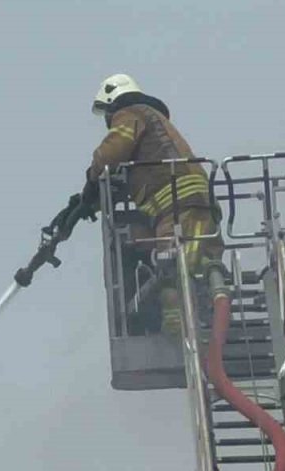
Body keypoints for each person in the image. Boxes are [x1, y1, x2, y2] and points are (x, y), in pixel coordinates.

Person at [83, 73, 223, 335]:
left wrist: (93, 176)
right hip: (201, 201)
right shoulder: (157, 124)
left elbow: (111, 153)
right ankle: (203, 312)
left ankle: (176, 325)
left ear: (112, 100)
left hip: (176, 205)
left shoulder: (130, 113)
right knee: (200, 261)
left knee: (170, 264)